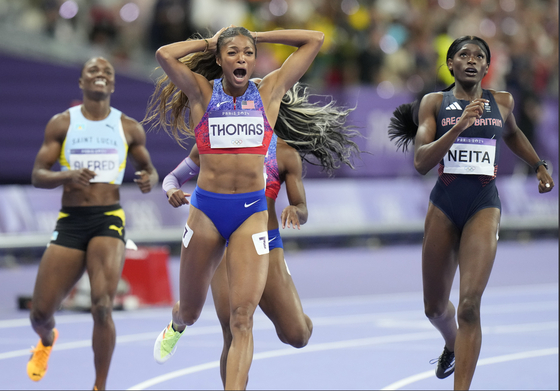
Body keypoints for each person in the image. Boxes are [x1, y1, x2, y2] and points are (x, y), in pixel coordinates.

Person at [143, 26, 325, 389]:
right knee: (192, 311)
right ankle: (177, 322)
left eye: (248, 53)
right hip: (207, 212)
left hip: (250, 215)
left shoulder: (269, 91)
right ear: (220, 60)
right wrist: (213, 42)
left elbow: (314, 39)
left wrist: (256, 34)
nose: (241, 59)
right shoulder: (202, 92)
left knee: (242, 320)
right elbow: (165, 54)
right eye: (232, 53)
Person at [162, 81, 360, 387]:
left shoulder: (284, 154)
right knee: (235, 326)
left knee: (297, 334)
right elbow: (176, 176)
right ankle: (178, 322)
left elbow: (302, 206)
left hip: (266, 243)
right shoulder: (215, 138)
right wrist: (172, 188)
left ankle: (294, 319)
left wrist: (297, 211)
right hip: (223, 239)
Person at [388, 35, 555, 390]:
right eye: (463, 55)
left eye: (479, 56)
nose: (471, 60)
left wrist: (538, 163)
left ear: (487, 67)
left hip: (484, 204)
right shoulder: (435, 103)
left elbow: (512, 134)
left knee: (468, 306)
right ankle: (453, 343)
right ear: (450, 64)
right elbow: (420, 162)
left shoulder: (503, 102)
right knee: (434, 308)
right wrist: (460, 125)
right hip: (444, 205)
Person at [28, 57, 159, 390]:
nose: (101, 75)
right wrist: (67, 175)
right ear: (82, 83)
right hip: (71, 220)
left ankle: (99, 385)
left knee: (102, 306)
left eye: (107, 73)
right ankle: (46, 340)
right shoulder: (62, 124)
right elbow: (37, 176)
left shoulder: (128, 127)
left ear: (113, 85)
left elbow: (150, 170)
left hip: (107, 219)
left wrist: (149, 179)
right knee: (40, 314)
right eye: (93, 72)